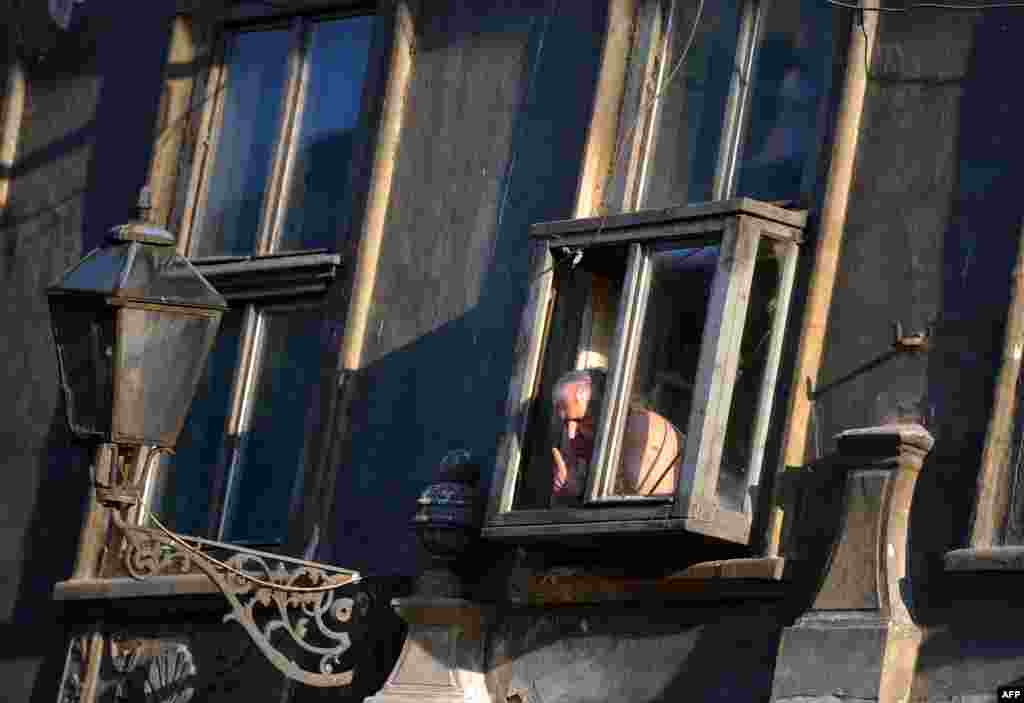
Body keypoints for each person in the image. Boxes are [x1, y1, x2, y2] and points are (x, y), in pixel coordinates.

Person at [550, 368, 683, 502]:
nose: (571, 434)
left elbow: (644, 512)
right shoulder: (592, 442)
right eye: (566, 423)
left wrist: (582, 490)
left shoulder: (642, 429)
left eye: (582, 420)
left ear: (607, 408)